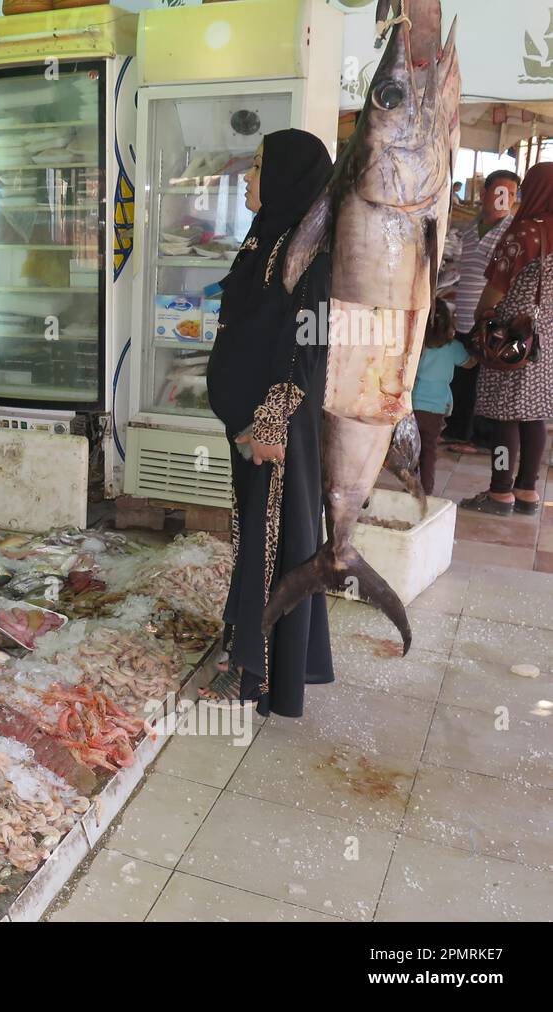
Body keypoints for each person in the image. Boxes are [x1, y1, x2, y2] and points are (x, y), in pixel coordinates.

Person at [203, 129, 335, 718]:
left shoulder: (310, 245)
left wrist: (271, 420)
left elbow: (309, 341)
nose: (249, 179)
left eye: (258, 167)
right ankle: (251, 655)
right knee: (255, 538)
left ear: (285, 175)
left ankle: (257, 676)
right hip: (249, 419)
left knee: (271, 542)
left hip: (273, 424)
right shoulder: (270, 232)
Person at [460, 162, 553, 518]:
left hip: (513, 334)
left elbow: (495, 289)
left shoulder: (525, 232)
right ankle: (527, 490)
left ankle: (501, 491)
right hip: (547, 338)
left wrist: (482, 317)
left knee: (505, 417)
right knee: (535, 417)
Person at [442, 169, 519, 453]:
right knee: (464, 377)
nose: (504, 199)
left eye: (510, 194)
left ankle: (480, 438)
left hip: (490, 318)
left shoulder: (512, 232)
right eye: (499, 191)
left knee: (484, 380)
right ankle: (459, 430)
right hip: (464, 315)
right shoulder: (472, 229)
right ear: (485, 194)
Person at [412, 313, 475, 496]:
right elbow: (469, 363)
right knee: (429, 449)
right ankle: (426, 488)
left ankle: (410, 484)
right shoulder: (453, 347)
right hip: (436, 408)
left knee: (410, 447)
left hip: (412, 404)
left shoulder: (417, 344)